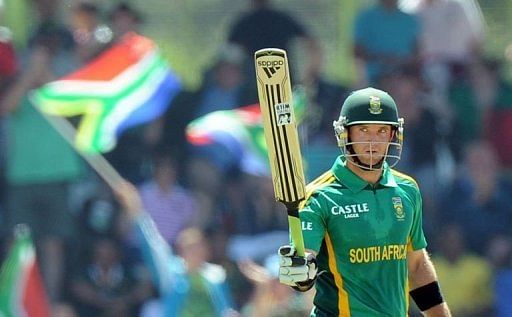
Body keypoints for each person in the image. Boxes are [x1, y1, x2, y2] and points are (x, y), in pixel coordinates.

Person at [277, 87, 451, 316]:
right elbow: (304, 264)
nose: (373, 141)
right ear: (345, 133)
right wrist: (300, 271)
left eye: (381, 131)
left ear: (393, 135)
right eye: (363, 130)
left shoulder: (407, 189)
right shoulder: (318, 196)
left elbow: (416, 264)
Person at [114, 181, 236, 316]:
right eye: (191, 248)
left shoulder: (215, 276)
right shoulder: (170, 272)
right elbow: (152, 244)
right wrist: (136, 209)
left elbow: (226, 310)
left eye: (199, 247)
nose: (196, 252)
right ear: (181, 251)